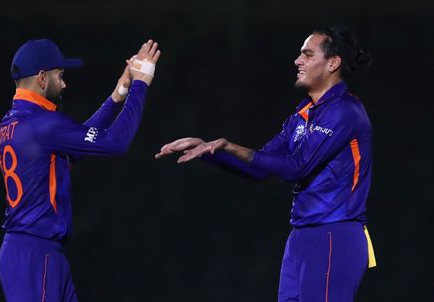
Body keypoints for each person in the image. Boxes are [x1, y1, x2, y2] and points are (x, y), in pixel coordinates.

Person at [155, 26, 376, 301]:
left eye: (307, 54)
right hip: (301, 237)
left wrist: (230, 145)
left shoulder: (345, 111)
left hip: (334, 235)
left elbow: (296, 166)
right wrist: (208, 149)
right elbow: (259, 167)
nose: (298, 61)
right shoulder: (302, 115)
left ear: (333, 63)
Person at [0, 38, 160, 301]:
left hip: (35, 252)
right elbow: (115, 142)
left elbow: (77, 144)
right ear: (41, 78)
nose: (63, 83)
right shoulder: (42, 124)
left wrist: (120, 93)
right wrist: (141, 83)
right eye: (59, 75)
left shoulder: (13, 123)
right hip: (36, 254)